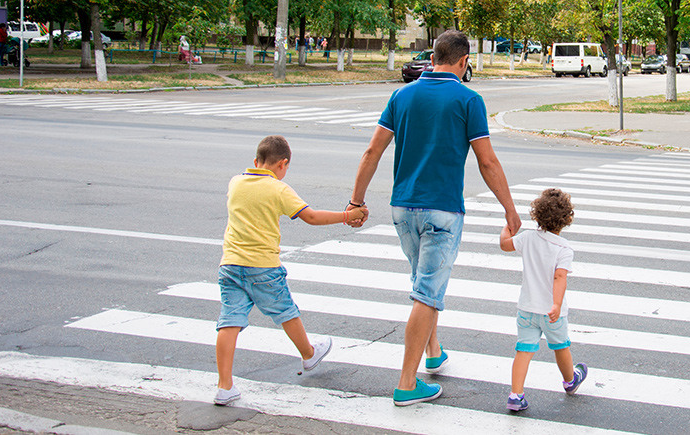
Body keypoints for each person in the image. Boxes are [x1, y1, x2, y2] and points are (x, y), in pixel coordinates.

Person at [348, 29, 522, 407]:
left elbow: (371, 152)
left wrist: (356, 202)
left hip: (402, 208)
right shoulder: (468, 98)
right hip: (442, 210)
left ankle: (433, 353)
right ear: (462, 62)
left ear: (432, 58)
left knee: (421, 284)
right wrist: (509, 209)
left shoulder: (401, 95)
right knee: (427, 292)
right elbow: (487, 160)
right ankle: (407, 384)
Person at [213, 135, 368, 406]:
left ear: (256, 161)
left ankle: (224, 386)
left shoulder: (235, 182)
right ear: (283, 164)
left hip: (230, 264)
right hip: (262, 266)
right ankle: (308, 354)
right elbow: (310, 216)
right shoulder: (278, 189)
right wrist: (348, 216)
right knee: (286, 311)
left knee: (229, 321)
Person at [498, 188, 587, 412]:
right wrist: (556, 304)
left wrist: (506, 227)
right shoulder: (564, 248)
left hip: (527, 309)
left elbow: (505, 244)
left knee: (523, 351)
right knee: (560, 346)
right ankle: (570, 380)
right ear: (567, 220)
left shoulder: (527, 237)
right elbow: (559, 277)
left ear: (536, 215)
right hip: (551, 311)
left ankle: (516, 394)